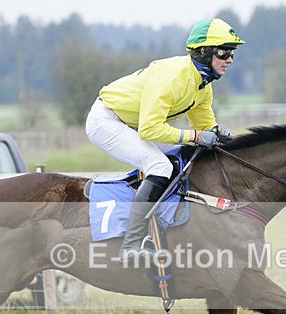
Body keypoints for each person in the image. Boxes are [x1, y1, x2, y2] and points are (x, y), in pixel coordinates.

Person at [85, 18, 244, 263]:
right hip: (107, 121)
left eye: (231, 53)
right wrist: (195, 135)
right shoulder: (172, 77)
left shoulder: (203, 85)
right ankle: (132, 243)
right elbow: (150, 130)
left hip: (133, 123)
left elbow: (203, 126)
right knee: (160, 166)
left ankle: (162, 222)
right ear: (204, 52)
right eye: (224, 52)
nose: (230, 59)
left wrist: (217, 133)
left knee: (185, 155)